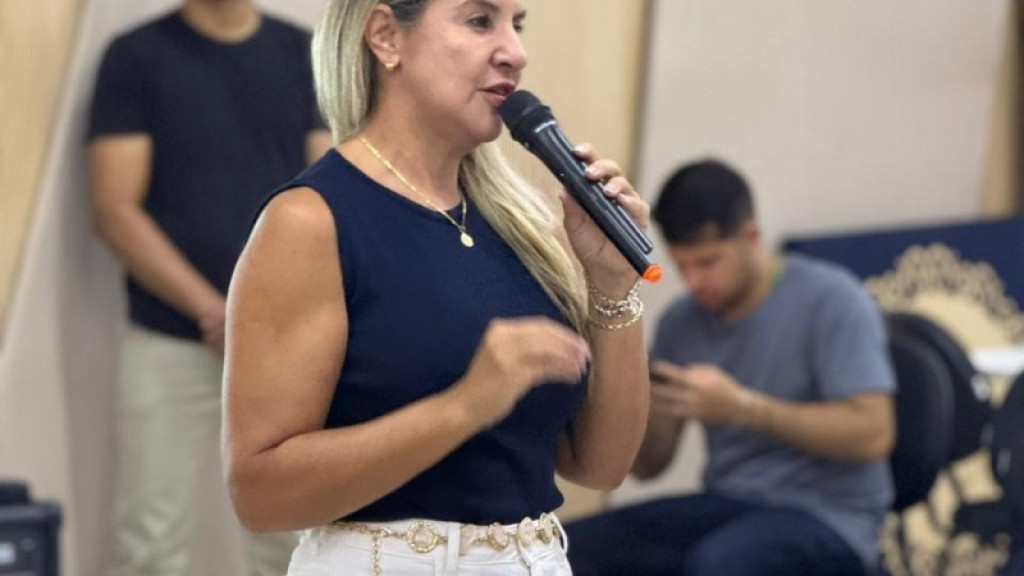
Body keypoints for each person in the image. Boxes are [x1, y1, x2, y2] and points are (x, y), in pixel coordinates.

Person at [220, 0, 651, 575]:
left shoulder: (521, 225)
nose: (515, 53)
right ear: (385, 36)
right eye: (479, 21)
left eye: (517, 24)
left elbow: (599, 467)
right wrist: (465, 406)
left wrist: (611, 284)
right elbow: (260, 496)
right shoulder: (310, 221)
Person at [87, 0, 332, 574]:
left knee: (293, 542)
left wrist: (261, 315)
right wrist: (217, 313)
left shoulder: (305, 54)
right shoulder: (135, 56)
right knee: (149, 538)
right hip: (170, 336)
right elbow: (115, 210)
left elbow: (329, 193)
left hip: (285, 344)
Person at [565, 159, 897, 576]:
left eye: (707, 263)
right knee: (570, 551)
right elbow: (649, 466)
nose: (693, 282)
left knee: (717, 564)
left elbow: (873, 434)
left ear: (751, 237)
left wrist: (741, 407)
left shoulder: (833, 300)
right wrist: (637, 401)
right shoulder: (682, 322)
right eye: (682, 266)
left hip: (832, 516)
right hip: (729, 504)